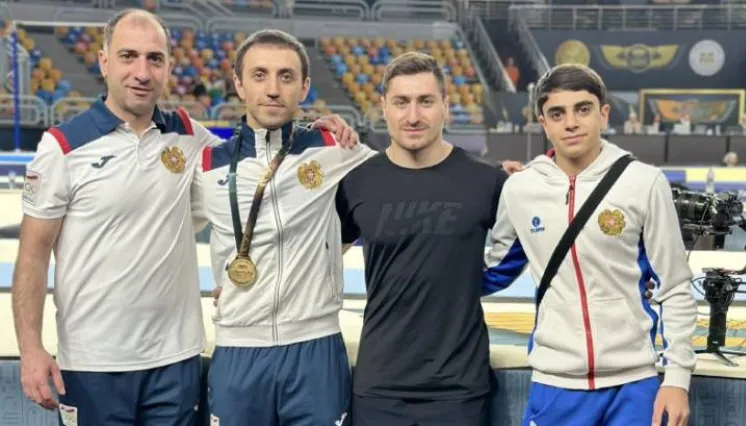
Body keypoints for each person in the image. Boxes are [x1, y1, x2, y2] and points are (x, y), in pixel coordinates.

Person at [11, 8, 356, 426]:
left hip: (177, 360)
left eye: (154, 59)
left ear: (168, 67)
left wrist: (314, 128)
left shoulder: (190, 137)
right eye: (128, 56)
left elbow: (260, 168)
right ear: (104, 61)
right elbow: (32, 256)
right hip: (93, 360)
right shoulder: (63, 147)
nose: (142, 72)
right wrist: (30, 348)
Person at [483, 64, 697, 426]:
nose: (571, 123)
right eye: (557, 113)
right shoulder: (520, 189)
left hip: (634, 385)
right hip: (555, 383)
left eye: (582, 109)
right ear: (543, 123)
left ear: (603, 113)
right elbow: (493, 271)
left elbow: (674, 286)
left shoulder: (644, 183)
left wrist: (677, 378)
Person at [195, 29, 374, 426]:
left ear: (304, 87)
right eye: (259, 75)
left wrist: (501, 177)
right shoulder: (206, 166)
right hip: (238, 349)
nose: (273, 89)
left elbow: (406, 175)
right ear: (239, 84)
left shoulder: (334, 149)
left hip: (315, 349)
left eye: (286, 77)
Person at [335, 51, 507, 426]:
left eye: (425, 101)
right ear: (383, 106)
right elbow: (318, 258)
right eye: (401, 102)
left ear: (445, 105)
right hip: (380, 385)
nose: (413, 116)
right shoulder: (357, 182)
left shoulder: (487, 181)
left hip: (459, 388)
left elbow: (534, 245)